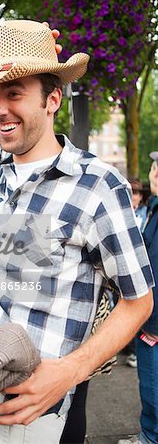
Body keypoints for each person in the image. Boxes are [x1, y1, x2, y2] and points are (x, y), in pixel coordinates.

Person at [0, 20, 153, 444]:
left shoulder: (97, 184)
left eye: (15, 93)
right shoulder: (0, 163)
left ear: (53, 99)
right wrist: (7, 67)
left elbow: (140, 301)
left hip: (39, 410)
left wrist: (71, 372)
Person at [118, 152, 158, 444]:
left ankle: (150, 437)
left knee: (153, 387)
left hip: (154, 322)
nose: (155, 172)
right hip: (149, 316)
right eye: (155, 167)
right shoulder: (154, 209)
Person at [125, 178, 147, 368]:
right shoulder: (122, 214)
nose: (133, 196)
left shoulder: (146, 214)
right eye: (130, 191)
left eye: (136, 193)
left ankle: (134, 351)